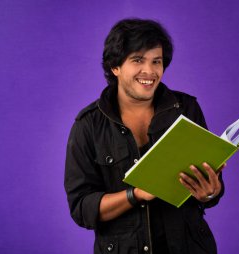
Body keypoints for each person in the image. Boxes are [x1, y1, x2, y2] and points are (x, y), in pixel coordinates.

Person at [64, 18, 225, 254]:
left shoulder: (186, 108)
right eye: (138, 60)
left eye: (156, 61)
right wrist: (136, 194)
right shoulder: (87, 125)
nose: (149, 71)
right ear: (115, 67)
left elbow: (211, 191)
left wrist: (211, 192)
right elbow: (82, 208)